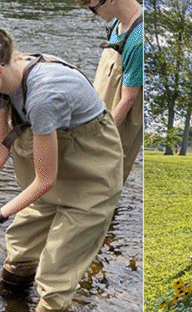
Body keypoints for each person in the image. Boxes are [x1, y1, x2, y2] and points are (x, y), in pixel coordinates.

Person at [0, 14, 123, 312]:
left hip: (89, 179)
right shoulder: (0, 87)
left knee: (57, 268)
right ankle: (10, 295)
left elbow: (45, 180)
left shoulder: (44, 95)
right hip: (50, 176)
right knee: (22, 244)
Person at [77, 0, 144, 184]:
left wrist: (101, 137)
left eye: (93, 7)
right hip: (102, 108)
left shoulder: (139, 39)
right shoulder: (119, 20)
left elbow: (128, 99)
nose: (93, 14)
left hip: (118, 117)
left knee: (106, 176)